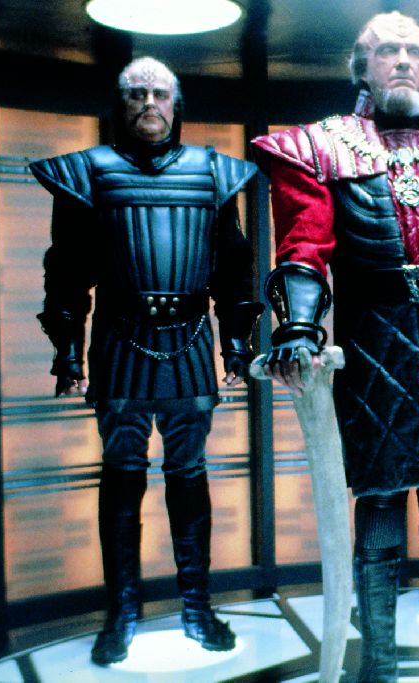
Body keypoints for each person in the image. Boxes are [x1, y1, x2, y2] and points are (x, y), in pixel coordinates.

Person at [251, 13, 419, 682]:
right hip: (374, 345)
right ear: (362, 66)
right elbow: (304, 245)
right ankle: (376, 666)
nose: (402, 60)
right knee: (378, 510)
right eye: (386, 51)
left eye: (414, 51)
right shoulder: (319, 146)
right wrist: (298, 327)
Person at [29, 56, 262, 665]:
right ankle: (122, 613)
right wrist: (67, 351)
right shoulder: (88, 173)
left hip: (189, 340)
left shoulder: (213, 172)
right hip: (119, 339)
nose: (149, 104)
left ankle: (197, 608)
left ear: (176, 104)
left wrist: (236, 343)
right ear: (120, 104)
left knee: (189, 470)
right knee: (122, 471)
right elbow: (66, 270)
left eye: (160, 93)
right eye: (136, 94)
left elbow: (233, 266)